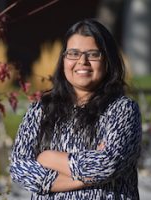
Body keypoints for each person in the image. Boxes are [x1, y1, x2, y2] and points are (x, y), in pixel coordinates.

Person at [9, 18, 142, 200]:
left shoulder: (123, 110)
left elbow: (107, 164)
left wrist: (49, 158)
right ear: (63, 59)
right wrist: (90, 173)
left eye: (93, 54)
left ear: (107, 60)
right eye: (73, 53)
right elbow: (19, 168)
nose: (82, 61)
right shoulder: (41, 109)